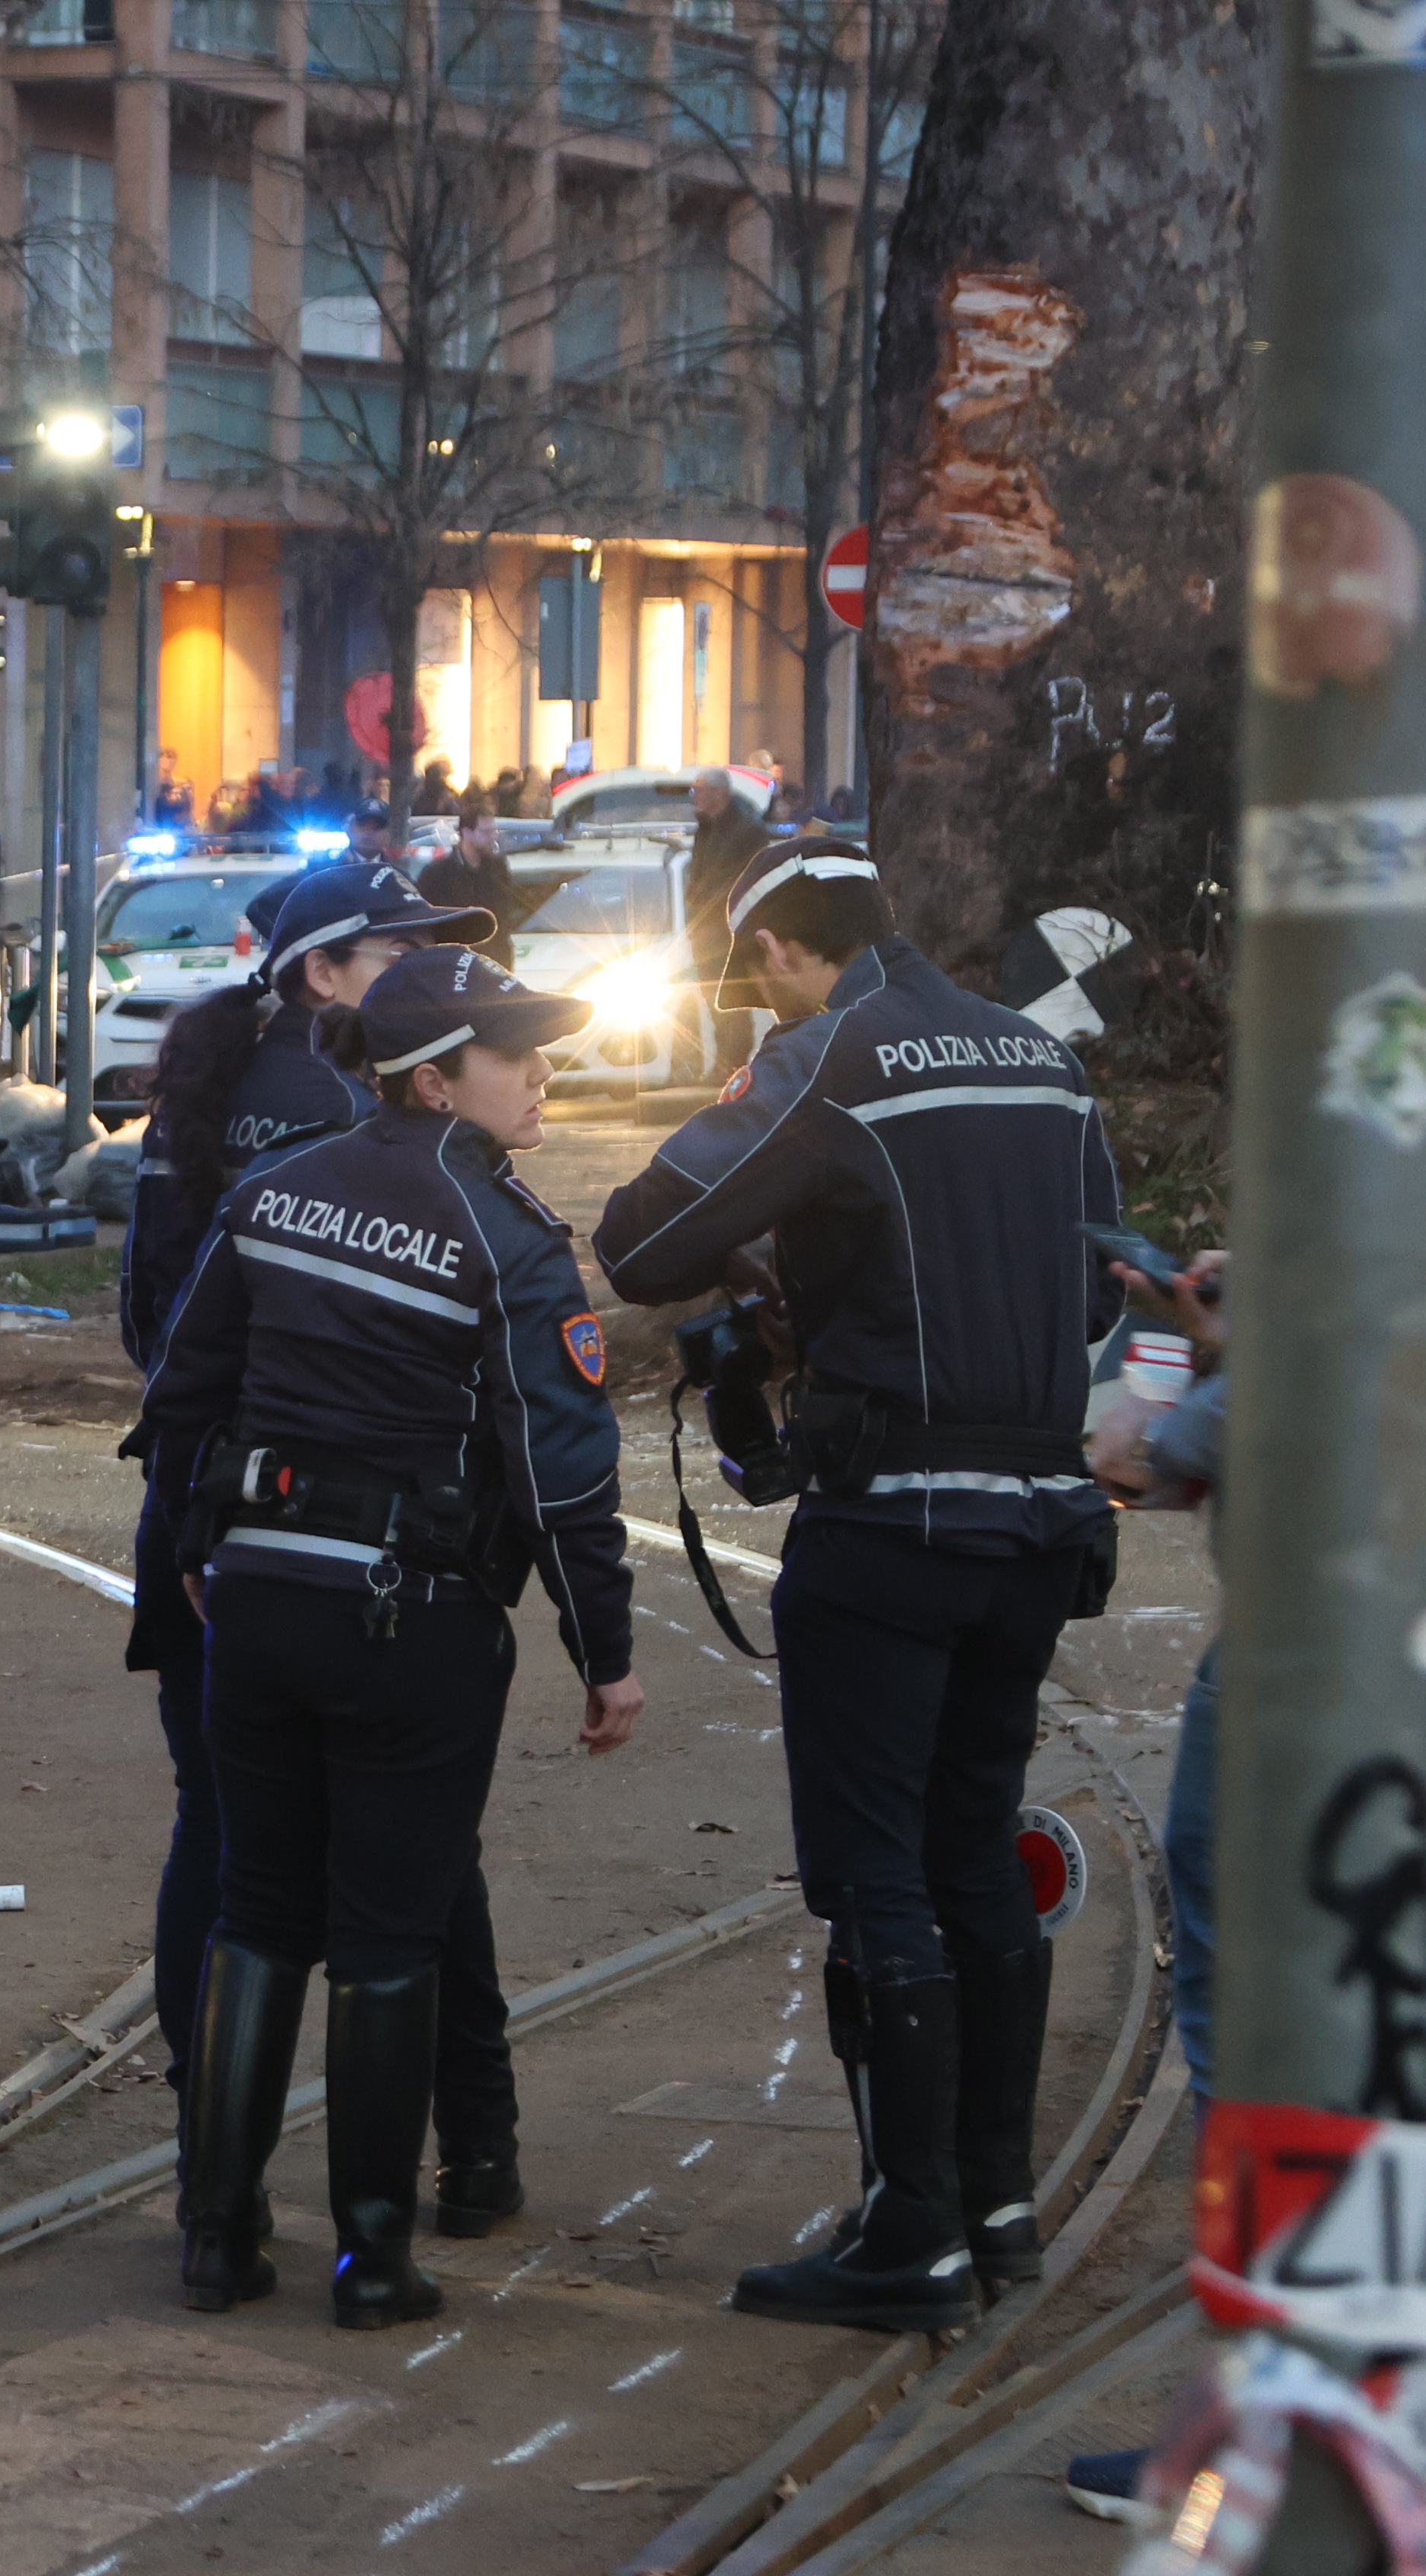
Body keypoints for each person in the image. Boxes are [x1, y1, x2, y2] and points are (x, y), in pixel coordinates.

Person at [1071, 1010, 1426, 2497]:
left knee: (1262, 2015)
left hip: (1333, 1649)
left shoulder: (1382, 1153)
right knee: (1387, 1981)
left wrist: (1193, 1374)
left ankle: (1291, 2404)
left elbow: (1167, 1447)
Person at [595, 839, 1120, 2333]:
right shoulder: (1042, 1060)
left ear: (774, 959)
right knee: (973, 1848)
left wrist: (783, 1266)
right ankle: (996, 2203)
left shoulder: (830, 1062)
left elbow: (640, 1244)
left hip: (891, 1529)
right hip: (1038, 1527)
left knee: (879, 1872)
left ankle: (909, 2230)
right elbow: (1089, 1290)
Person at [138, 945, 644, 2324]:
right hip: (409, 1621)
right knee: (386, 1935)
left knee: (258, 1911)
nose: (541, 1073)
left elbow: (189, 1387)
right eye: (514, 1051)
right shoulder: (509, 1239)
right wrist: (607, 1649)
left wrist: (197, 1547)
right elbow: (563, 1474)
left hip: (258, 1603)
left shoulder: (275, 1189)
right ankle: (372, 2256)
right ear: (435, 1079)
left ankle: (217, 2235)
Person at [121, 861, 539, 2245]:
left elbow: (160, 1334)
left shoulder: (213, 1094)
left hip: (227, 1540)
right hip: (366, 1558)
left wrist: (200, 1515)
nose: (439, 980)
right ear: (327, 978)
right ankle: (443, 2172)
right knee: (405, 1886)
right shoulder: (343, 1126)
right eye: (406, 954)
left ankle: (216, 2187)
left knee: (236, 1863)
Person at [680, 768, 774, 981]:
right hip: (705, 934)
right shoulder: (705, 828)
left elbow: (753, 878)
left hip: (731, 934)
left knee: (730, 1000)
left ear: (719, 793)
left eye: (699, 790)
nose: (695, 796)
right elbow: (699, 875)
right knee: (712, 998)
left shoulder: (747, 829)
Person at [414, 819, 520, 964]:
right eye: (485, 832)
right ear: (466, 832)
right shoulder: (437, 874)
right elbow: (425, 919)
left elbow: (506, 911)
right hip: (452, 963)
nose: (492, 837)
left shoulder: (498, 868)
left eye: (494, 831)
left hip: (495, 961)